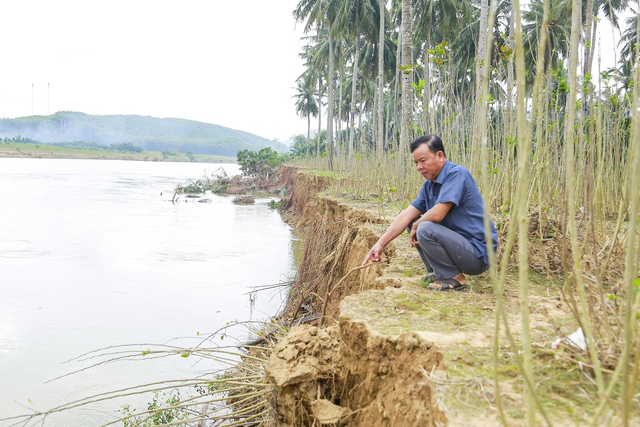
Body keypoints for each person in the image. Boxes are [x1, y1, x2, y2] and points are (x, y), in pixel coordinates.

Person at [362, 135, 498, 291]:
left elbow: (437, 214)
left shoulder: (457, 174)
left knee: (423, 227)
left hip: (477, 254)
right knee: (413, 223)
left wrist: (417, 225)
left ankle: (453, 278)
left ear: (439, 156)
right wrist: (380, 244)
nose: (419, 167)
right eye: (415, 163)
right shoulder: (429, 186)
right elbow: (406, 215)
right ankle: (438, 272)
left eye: (423, 161)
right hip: (460, 248)